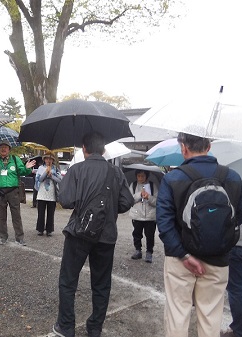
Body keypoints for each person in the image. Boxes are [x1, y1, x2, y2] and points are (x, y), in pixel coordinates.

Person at [156, 132, 242, 337]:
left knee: (177, 313)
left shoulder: (173, 178)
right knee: (210, 316)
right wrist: (218, 239)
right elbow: (238, 217)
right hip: (218, 259)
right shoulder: (232, 177)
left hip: (180, 260)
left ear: (183, 148)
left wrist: (185, 255)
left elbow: (164, 223)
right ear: (209, 146)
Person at [52, 131, 133, 337]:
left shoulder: (76, 169)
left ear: (84, 149)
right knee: (101, 283)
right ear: (104, 149)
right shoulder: (115, 172)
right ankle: (95, 327)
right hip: (106, 235)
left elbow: (66, 200)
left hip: (79, 232)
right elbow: (126, 202)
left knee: (68, 280)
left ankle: (66, 326)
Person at [0, 139, 35, 246]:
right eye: (1, 147)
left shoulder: (15, 159)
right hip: (0, 192)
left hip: (13, 191)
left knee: (16, 215)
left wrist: (27, 168)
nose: (3, 149)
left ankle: (19, 238)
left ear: (9, 149)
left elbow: (23, 171)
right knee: (1, 216)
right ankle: (3, 237)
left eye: (5, 147)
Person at [226, 183, 242, 337]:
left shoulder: (241, 184)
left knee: (236, 288)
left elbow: (233, 211)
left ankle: (240, 330)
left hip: (241, 241)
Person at [128, 169, 158, 263]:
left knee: (150, 235)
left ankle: (149, 252)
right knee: (137, 234)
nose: (141, 178)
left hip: (150, 216)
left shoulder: (153, 186)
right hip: (137, 215)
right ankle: (138, 250)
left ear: (147, 176)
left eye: (143, 176)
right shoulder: (133, 185)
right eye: (139, 176)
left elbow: (157, 201)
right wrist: (139, 194)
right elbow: (129, 200)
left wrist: (149, 197)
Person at [35, 151, 61, 236]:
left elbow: (60, 180)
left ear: (53, 160)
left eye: (50, 159)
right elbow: (39, 179)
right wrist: (46, 172)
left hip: (51, 194)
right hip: (42, 193)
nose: (48, 160)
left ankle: (49, 230)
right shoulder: (40, 168)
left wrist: (52, 176)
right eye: (46, 158)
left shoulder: (56, 168)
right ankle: (40, 229)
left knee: (51, 213)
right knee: (41, 212)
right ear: (44, 159)